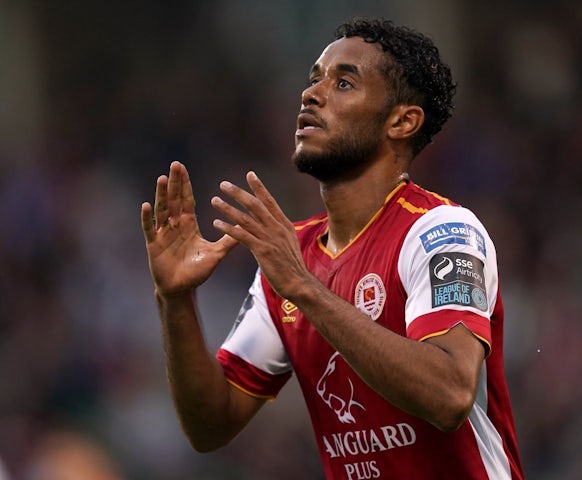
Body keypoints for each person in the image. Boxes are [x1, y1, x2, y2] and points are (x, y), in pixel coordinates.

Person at [141, 18, 524, 480]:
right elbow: (211, 425)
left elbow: (449, 396)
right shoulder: (289, 258)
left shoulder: (443, 232)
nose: (312, 94)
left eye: (343, 82)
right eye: (314, 80)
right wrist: (175, 299)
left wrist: (304, 287)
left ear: (402, 121)